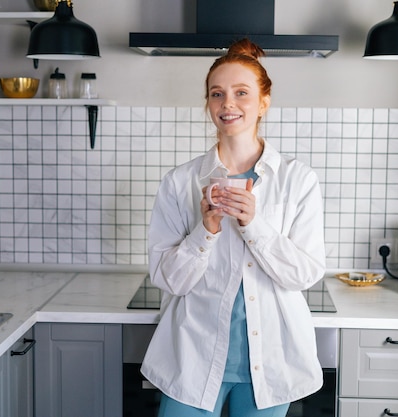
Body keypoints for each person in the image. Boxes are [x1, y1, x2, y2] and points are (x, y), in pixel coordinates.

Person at [141, 38, 327, 417]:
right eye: (217, 94)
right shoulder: (180, 182)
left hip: (272, 360)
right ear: (208, 103)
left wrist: (253, 224)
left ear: (263, 102)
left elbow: (305, 273)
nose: (228, 104)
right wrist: (205, 231)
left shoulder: (297, 179)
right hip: (191, 356)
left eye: (242, 93)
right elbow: (167, 279)